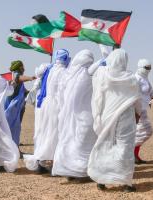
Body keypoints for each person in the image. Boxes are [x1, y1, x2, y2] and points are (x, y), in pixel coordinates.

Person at [88, 49, 141, 192]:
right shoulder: (131, 78)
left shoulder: (102, 74)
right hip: (126, 117)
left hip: (107, 116)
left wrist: (97, 115)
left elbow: (97, 96)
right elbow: (137, 100)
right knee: (124, 147)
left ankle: (101, 180)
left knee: (105, 145)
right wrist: (138, 115)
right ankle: (125, 183)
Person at [52, 50, 97, 180]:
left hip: (67, 115)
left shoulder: (67, 75)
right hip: (85, 115)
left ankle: (69, 170)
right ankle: (81, 172)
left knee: (69, 142)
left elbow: (60, 96)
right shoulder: (86, 73)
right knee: (83, 143)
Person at [23, 49, 71, 174]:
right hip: (56, 105)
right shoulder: (64, 72)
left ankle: (40, 162)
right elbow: (62, 93)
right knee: (55, 134)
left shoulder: (48, 69)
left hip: (44, 105)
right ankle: (54, 165)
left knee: (43, 132)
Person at [4, 60, 35, 148]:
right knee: (13, 125)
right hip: (13, 105)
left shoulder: (14, 75)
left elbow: (23, 90)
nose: (24, 68)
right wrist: (30, 78)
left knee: (16, 124)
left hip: (18, 106)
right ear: (19, 67)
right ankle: (12, 145)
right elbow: (20, 78)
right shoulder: (15, 74)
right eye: (22, 66)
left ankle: (14, 141)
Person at [134, 59, 153, 164]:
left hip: (143, 110)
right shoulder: (135, 78)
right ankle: (130, 152)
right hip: (136, 111)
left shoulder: (145, 79)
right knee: (146, 131)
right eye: (147, 68)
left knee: (140, 133)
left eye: (150, 68)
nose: (149, 70)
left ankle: (134, 155)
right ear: (141, 67)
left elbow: (151, 92)